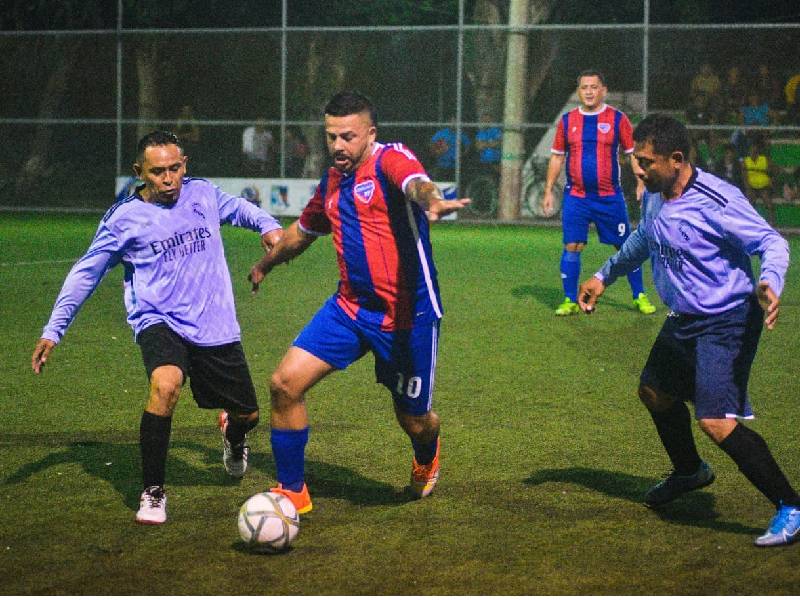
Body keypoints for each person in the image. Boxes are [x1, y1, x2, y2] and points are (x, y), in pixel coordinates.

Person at [31, 131, 283, 525]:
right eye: (158, 172)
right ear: (139, 172)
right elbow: (85, 274)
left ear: (185, 165)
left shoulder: (202, 194)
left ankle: (234, 435)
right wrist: (53, 329)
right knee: (165, 385)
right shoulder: (123, 219)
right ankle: (152, 491)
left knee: (248, 414)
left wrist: (268, 226)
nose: (169, 179)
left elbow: (242, 210)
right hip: (159, 319)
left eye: (175, 168)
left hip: (214, 322)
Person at [578, 114, 799, 547]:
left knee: (716, 421)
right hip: (684, 318)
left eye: (645, 162)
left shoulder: (717, 200)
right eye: (634, 161)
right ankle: (689, 471)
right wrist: (604, 276)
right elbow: (645, 238)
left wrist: (771, 280)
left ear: (676, 159)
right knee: (655, 393)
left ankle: (790, 504)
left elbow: (772, 242)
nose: (637, 170)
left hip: (728, 319)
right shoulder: (655, 195)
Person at [248, 91, 470, 514]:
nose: (338, 146)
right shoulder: (332, 181)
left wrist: (431, 198)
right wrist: (267, 263)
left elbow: (415, 182)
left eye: (347, 137)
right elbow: (303, 231)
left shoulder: (390, 159)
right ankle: (293, 490)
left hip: (408, 316)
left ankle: (427, 452)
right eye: (331, 137)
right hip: (349, 309)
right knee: (283, 384)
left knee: (415, 420)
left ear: (370, 133)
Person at [542, 69, 655, 317]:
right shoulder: (567, 121)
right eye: (584, 87)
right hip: (577, 197)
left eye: (594, 87)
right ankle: (570, 299)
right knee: (572, 245)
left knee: (626, 248)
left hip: (609, 197)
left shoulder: (617, 119)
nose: (589, 92)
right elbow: (557, 156)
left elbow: (631, 154)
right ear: (579, 91)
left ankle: (639, 295)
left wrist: (640, 181)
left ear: (603, 90)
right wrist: (549, 190)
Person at [743, 134, 777, 225]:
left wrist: (770, 181)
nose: (753, 151)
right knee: (750, 203)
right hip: (752, 187)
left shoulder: (764, 159)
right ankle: (750, 222)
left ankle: (771, 223)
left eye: (754, 148)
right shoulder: (745, 161)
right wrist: (748, 188)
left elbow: (772, 171)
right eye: (751, 149)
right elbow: (745, 177)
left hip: (764, 186)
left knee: (768, 203)